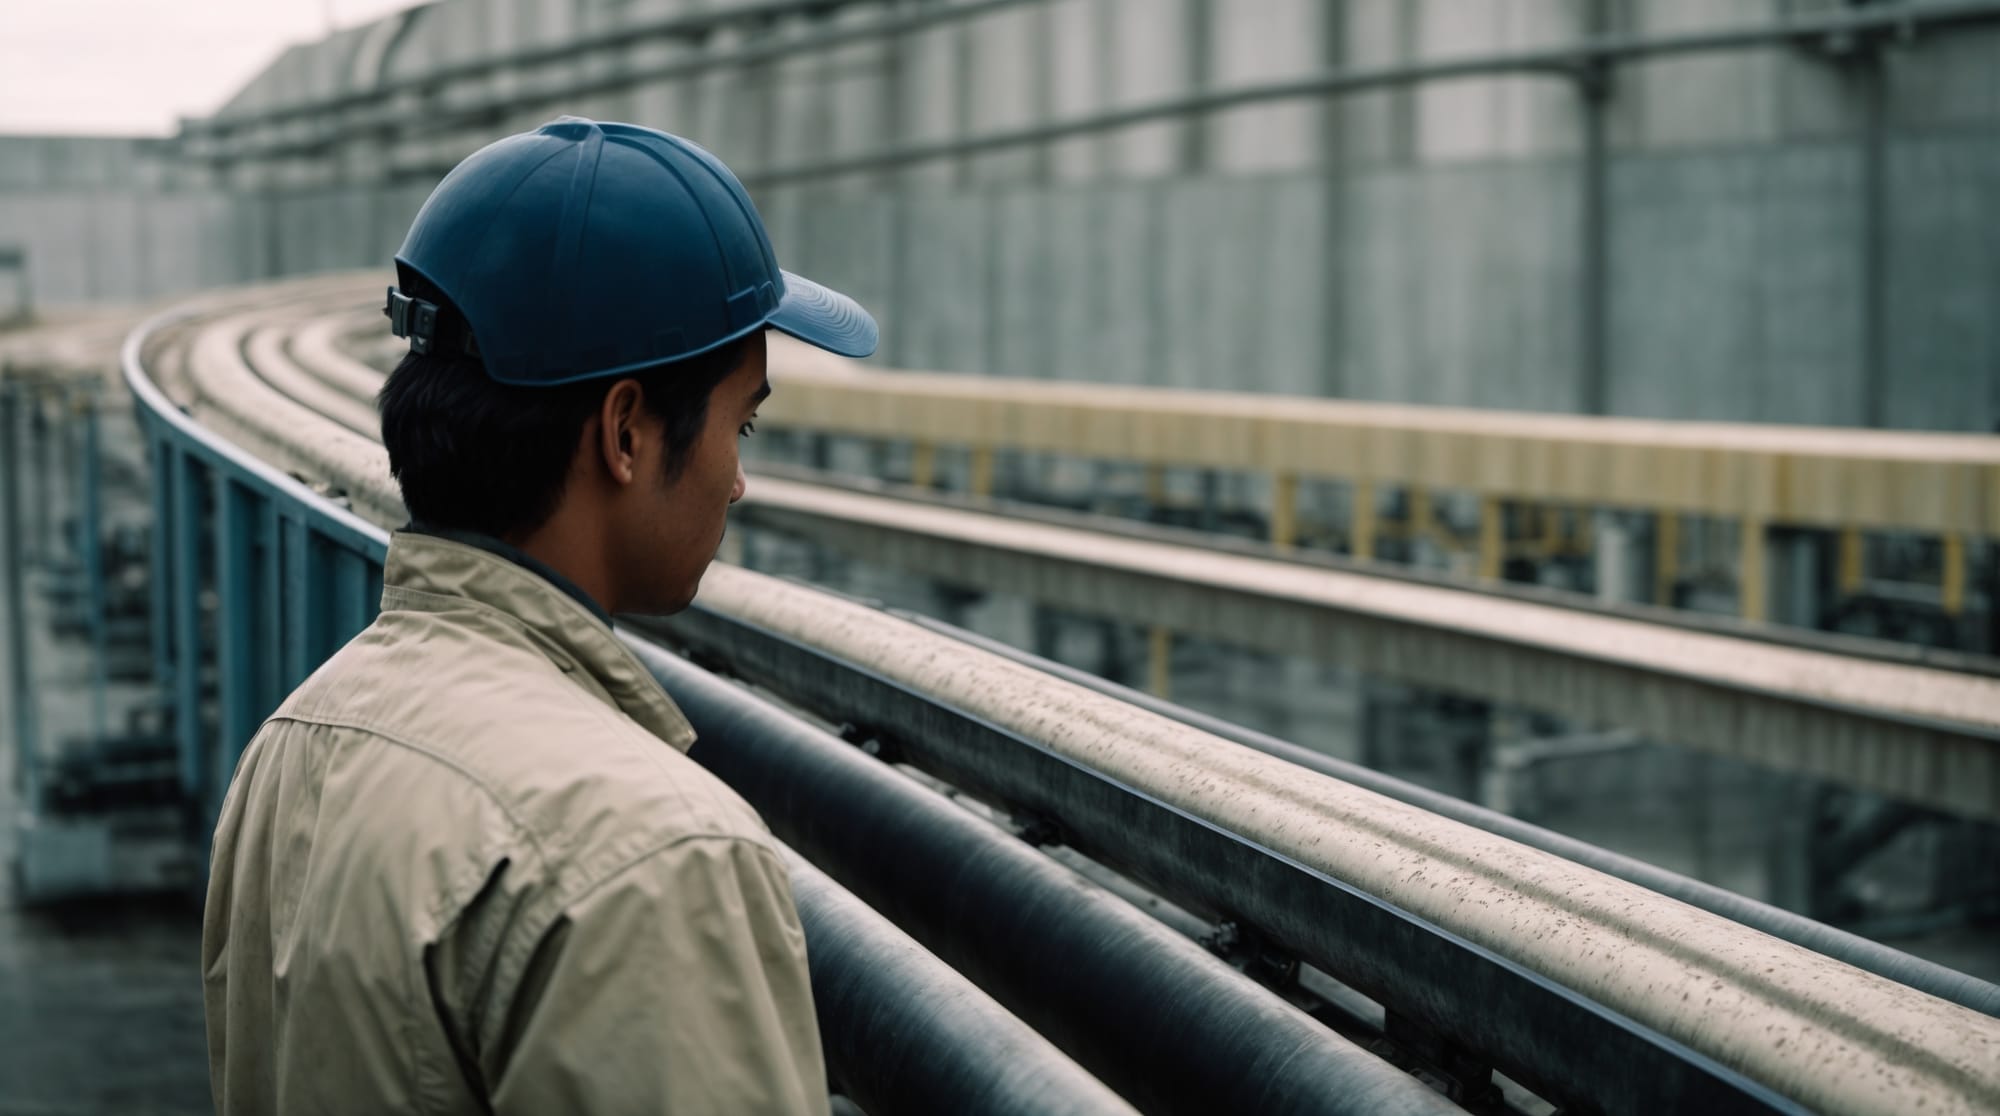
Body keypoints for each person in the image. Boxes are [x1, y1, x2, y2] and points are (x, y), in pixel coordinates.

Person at [201, 117, 877, 1115]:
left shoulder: (291, 743)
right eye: (742, 424)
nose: (736, 481)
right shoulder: (653, 854)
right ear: (624, 433)